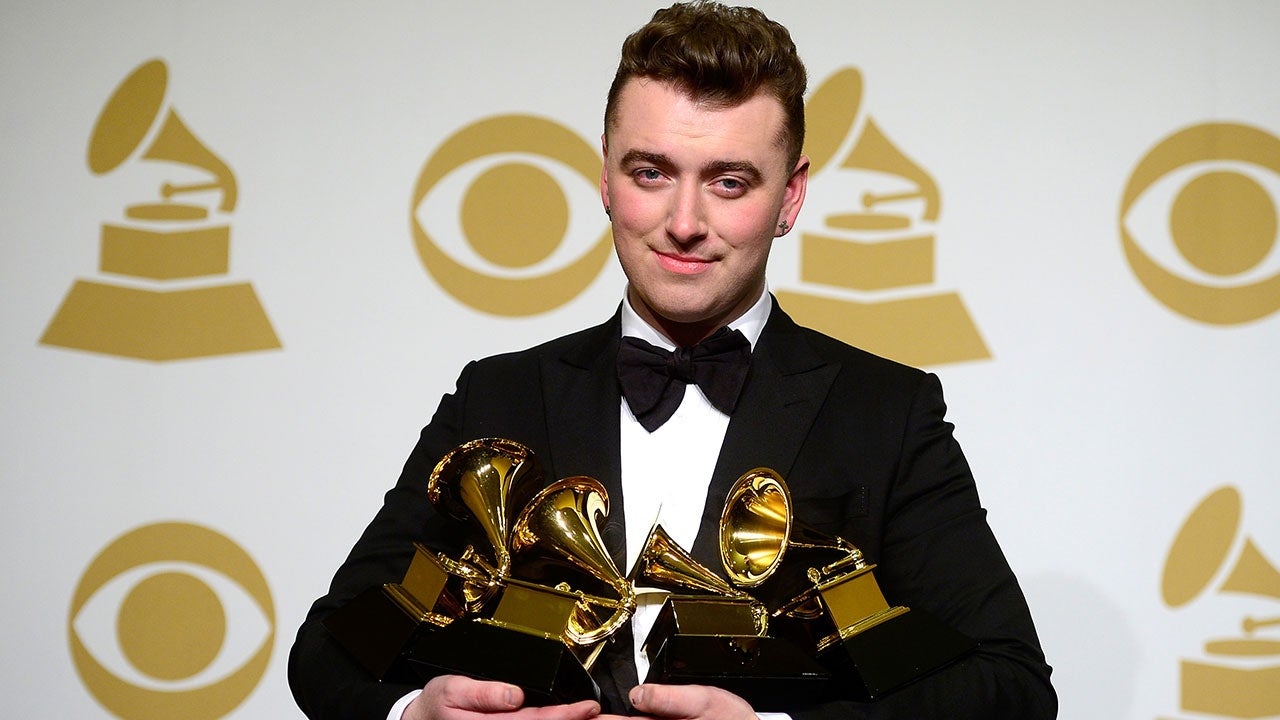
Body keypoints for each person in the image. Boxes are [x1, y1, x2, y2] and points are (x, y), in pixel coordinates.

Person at [288, 3, 1057, 719]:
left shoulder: (886, 412)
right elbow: (327, 650)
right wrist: (413, 713)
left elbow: (1012, 684)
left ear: (790, 198)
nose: (684, 222)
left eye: (729, 182)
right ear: (605, 176)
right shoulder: (497, 395)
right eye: (651, 173)